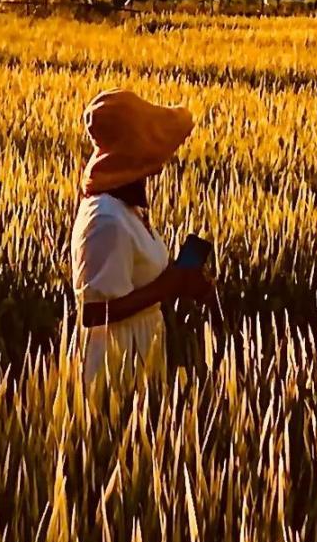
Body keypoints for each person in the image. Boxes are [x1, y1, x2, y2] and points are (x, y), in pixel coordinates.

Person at [70, 88, 217, 366]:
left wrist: (184, 280)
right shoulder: (105, 219)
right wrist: (171, 285)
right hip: (114, 363)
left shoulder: (127, 210)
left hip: (141, 351)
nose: (159, 167)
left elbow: (142, 282)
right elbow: (92, 313)